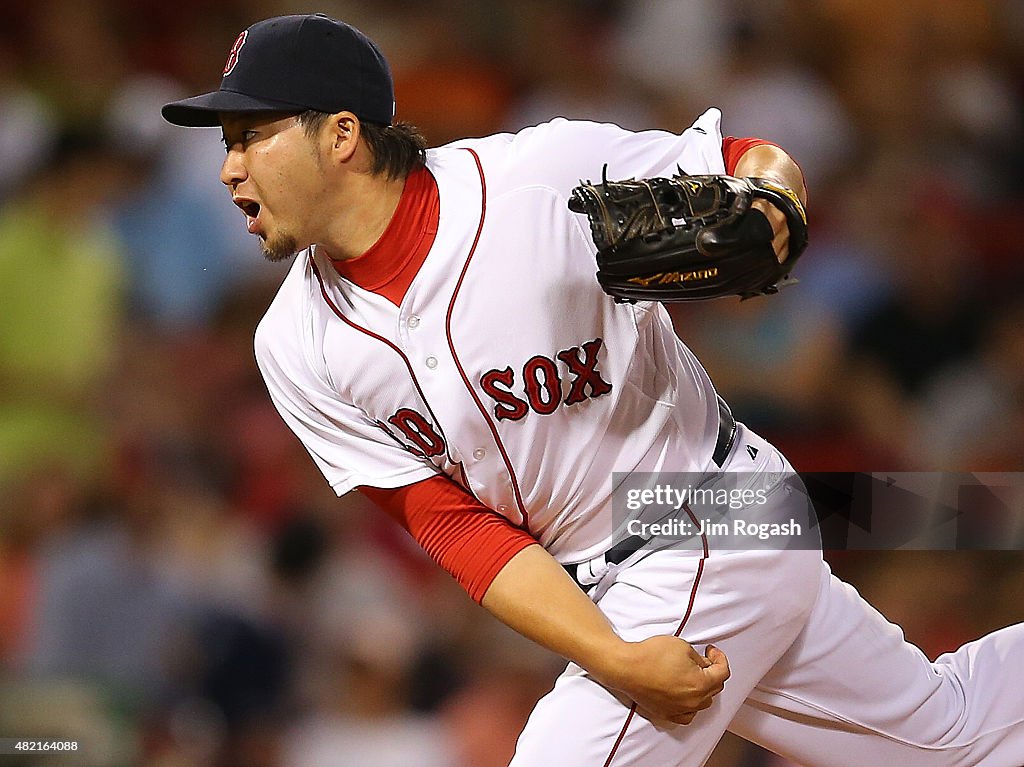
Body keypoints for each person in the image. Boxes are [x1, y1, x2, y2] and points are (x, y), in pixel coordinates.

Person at [162, 14, 1024, 766]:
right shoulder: (294, 344)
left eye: (250, 136)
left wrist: (773, 195)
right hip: (622, 566)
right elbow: (455, 527)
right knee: (947, 737)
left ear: (341, 134)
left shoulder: (538, 179)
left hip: (705, 509)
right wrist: (611, 653)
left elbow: (742, 163)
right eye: (227, 144)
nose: (231, 167)